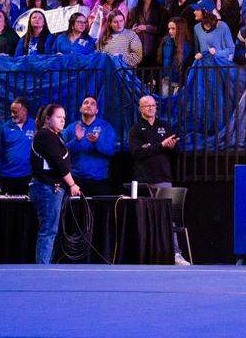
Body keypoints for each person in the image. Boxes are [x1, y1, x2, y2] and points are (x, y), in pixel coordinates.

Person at [128, 95, 188, 264]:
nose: (151, 108)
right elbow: (137, 153)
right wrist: (160, 146)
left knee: (168, 217)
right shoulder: (136, 129)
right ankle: (145, 254)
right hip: (143, 179)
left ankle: (175, 253)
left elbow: (176, 153)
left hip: (163, 178)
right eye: (147, 106)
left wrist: (171, 146)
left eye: (153, 105)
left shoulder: (164, 126)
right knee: (144, 218)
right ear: (140, 108)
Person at [29, 103, 82, 264]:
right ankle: (42, 268)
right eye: (58, 117)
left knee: (51, 229)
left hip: (53, 188)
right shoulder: (45, 135)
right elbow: (58, 163)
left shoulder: (54, 136)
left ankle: (46, 265)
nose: (62, 120)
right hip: (47, 188)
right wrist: (72, 184)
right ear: (47, 119)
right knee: (48, 230)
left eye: (64, 118)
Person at [62, 96, 117, 197]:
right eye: (86, 103)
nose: (89, 105)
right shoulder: (71, 128)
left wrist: (97, 142)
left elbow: (111, 151)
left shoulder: (106, 127)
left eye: (93, 104)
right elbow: (62, 152)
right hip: (76, 181)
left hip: (100, 181)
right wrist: (76, 140)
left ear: (97, 111)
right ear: (80, 108)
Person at [0, 97, 34, 195]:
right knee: (7, 209)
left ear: (24, 111)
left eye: (15, 112)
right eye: (11, 112)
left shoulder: (35, 126)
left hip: (27, 177)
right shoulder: (4, 127)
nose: (12, 115)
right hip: (6, 177)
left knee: (25, 209)